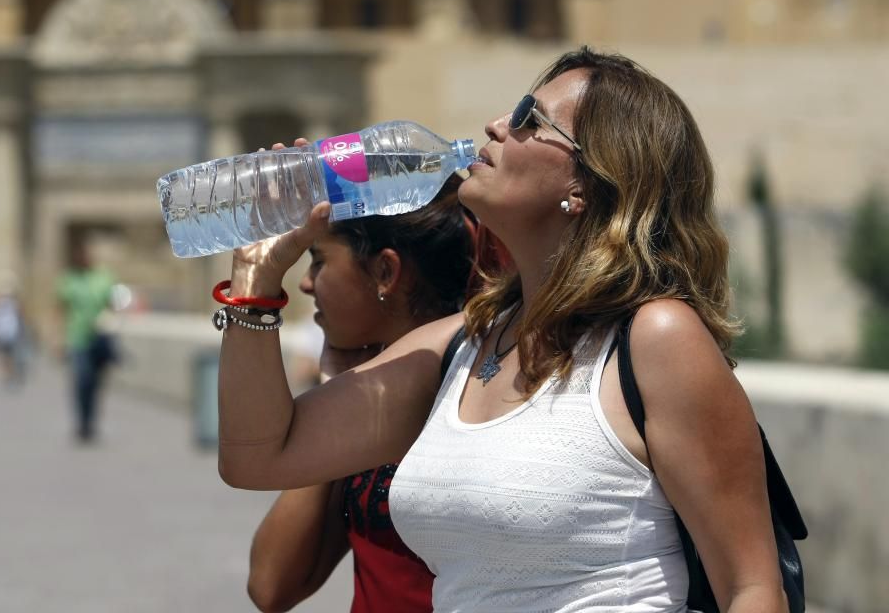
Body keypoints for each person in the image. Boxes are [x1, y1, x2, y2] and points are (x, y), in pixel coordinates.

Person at [216, 47, 788, 612]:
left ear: (588, 183)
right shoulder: (458, 348)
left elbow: (752, 590)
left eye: (527, 119)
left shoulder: (654, 339)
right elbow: (259, 456)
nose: (495, 126)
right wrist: (255, 280)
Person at [246, 177, 475, 613]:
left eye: (318, 261)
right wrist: (338, 390)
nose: (307, 285)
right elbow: (271, 585)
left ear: (385, 272)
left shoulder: (475, 388)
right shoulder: (368, 395)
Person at [57, 236, 117, 443]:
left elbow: (112, 304)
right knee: (82, 380)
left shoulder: (103, 277)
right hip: (78, 338)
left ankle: (91, 421)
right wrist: (58, 339)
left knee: (96, 383)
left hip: (100, 338)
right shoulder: (68, 280)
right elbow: (61, 310)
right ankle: (82, 421)